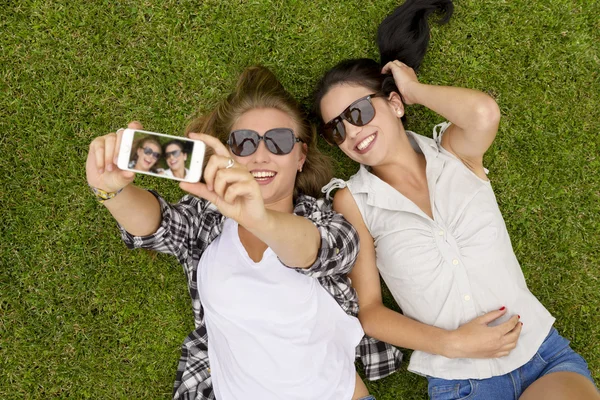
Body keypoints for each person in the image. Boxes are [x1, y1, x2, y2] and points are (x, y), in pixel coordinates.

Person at [314, 0, 599, 399]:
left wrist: (412, 89)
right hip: (462, 381)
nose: (351, 132)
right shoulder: (353, 201)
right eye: (336, 129)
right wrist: (453, 344)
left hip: (542, 357)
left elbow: (484, 112)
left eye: (358, 112)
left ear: (394, 104)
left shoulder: (455, 153)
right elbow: (372, 313)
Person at [85, 66, 401, 400]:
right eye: (244, 143)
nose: (261, 155)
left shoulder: (327, 220)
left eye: (279, 141)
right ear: (229, 154)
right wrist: (112, 191)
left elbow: (323, 251)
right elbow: (157, 226)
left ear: (300, 156)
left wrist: (259, 218)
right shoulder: (209, 221)